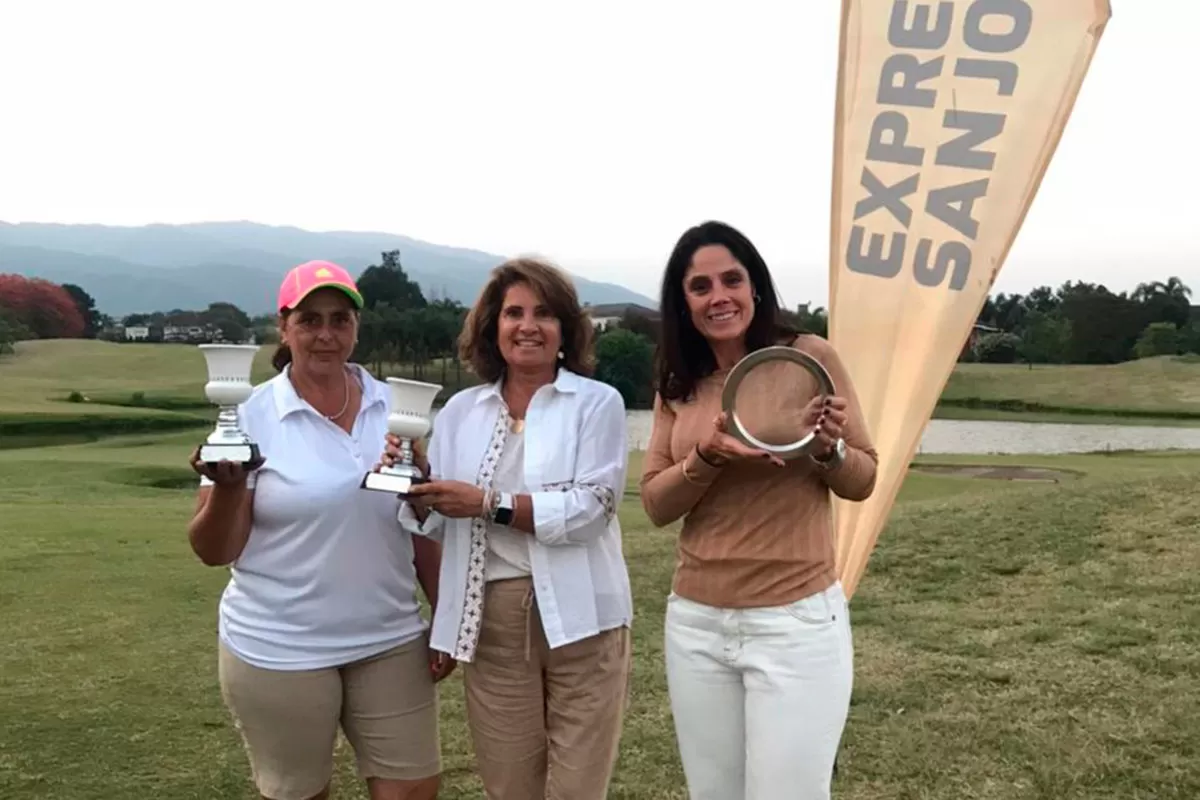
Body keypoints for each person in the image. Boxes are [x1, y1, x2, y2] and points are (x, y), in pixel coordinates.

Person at [186, 260, 448, 800]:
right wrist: (231, 489)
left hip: (389, 637)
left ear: (356, 328)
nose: (326, 335)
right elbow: (215, 550)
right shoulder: (251, 415)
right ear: (284, 327)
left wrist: (443, 615)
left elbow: (421, 526)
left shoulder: (396, 408)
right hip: (279, 646)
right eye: (310, 320)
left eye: (340, 319)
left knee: (414, 788)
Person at [639, 221, 879, 800]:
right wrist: (708, 456)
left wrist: (828, 450)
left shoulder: (808, 357)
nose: (718, 296)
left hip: (793, 621)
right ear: (683, 302)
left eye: (731, 280)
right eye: (700, 286)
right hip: (696, 621)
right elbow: (654, 502)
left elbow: (864, 476)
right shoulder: (679, 380)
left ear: (755, 287)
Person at [383, 256, 634, 800]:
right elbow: (437, 525)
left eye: (544, 313)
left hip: (585, 620)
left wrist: (489, 504)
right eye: (513, 312)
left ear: (565, 329)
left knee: (576, 790)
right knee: (510, 787)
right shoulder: (458, 413)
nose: (527, 325)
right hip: (493, 623)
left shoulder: (597, 403)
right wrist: (418, 482)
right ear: (492, 327)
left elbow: (593, 508)